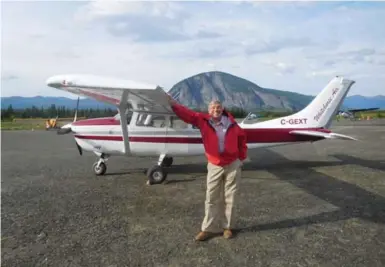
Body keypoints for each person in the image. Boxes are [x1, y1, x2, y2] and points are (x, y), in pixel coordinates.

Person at [167, 95, 248, 241]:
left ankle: (227, 227)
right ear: (209, 110)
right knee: (211, 197)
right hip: (215, 165)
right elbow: (188, 115)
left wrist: (241, 158)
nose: (216, 110)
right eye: (213, 108)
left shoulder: (232, 123)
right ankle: (208, 229)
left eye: (218, 107)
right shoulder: (203, 121)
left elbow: (242, 139)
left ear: (222, 109)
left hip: (232, 164)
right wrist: (174, 104)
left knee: (231, 197)